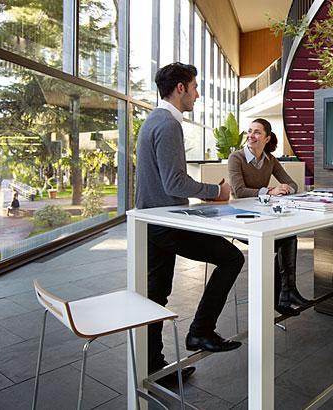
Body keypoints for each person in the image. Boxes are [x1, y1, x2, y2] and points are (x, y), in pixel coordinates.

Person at [135, 62, 244, 386]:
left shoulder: (153, 120)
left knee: (156, 293)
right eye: (194, 87)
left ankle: (156, 368)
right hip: (166, 222)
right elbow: (174, 183)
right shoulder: (168, 124)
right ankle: (200, 331)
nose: (197, 94)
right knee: (232, 258)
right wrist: (216, 192)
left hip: (152, 219)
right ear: (180, 88)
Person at [228, 118, 313, 316]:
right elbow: (239, 191)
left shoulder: (270, 160)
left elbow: (293, 184)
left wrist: (286, 188)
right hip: (241, 219)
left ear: (266, 138)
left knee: (288, 235)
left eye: (257, 132)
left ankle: (285, 293)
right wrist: (269, 191)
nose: (251, 135)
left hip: (263, 216)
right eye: (249, 131)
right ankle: (283, 294)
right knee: (283, 240)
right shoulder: (236, 158)